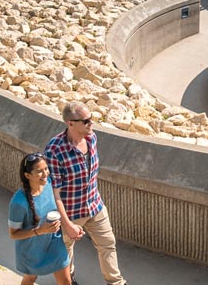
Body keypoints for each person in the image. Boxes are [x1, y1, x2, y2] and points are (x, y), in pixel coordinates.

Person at [45, 101, 127, 285]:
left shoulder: (92, 138)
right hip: (70, 211)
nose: (91, 124)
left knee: (107, 244)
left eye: (91, 119)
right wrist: (67, 224)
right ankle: (69, 279)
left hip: (94, 205)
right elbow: (54, 193)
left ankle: (116, 283)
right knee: (65, 249)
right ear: (70, 123)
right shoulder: (54, 150)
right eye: (86, 121)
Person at [8, 152, 72, 285]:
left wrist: (69, 224)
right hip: (32, 249)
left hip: (54, 241)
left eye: (46, 169)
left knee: (66, 281)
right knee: (31, 278)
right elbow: (13, 234)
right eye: (39, 171)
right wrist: (40, 230)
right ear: (27, 175)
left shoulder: (48, 183)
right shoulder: (18, 203)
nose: (45, 174)